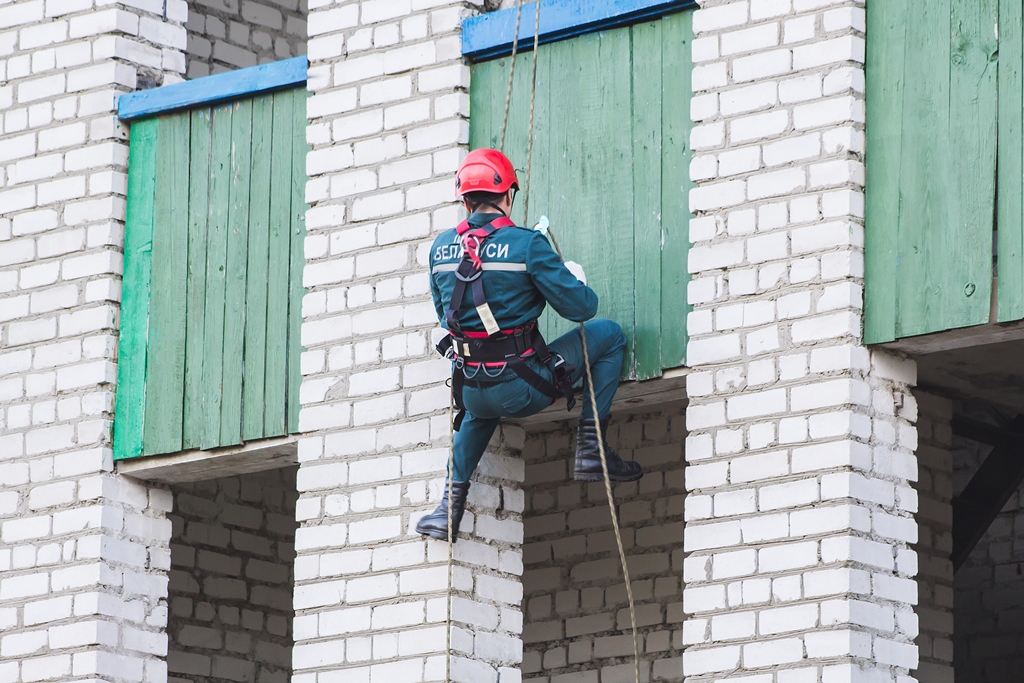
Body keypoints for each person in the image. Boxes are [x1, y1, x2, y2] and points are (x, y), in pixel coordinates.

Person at [415, 148, 643, 541]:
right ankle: (592, 448)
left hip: (471, 388)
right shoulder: (527, 244)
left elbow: (444, 317)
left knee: (479, 409)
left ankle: (447, 508)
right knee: (609, 335)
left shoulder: (439, 250)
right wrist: (573, 277)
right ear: (507, 196)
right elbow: (581, 308)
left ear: (465, 200)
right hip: (523, 388)